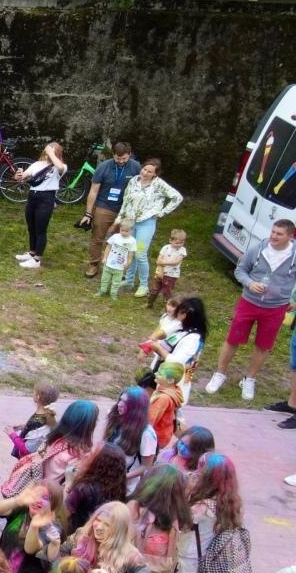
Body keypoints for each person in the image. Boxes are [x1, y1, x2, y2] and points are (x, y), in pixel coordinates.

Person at [202, 217, 296, 401]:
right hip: (249, 302)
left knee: (263, 345)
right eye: (273, 232)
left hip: (276, 307)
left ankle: (249, 378)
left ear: (290, 236)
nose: (274, 236)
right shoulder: (258, 249)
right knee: (232, 339)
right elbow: (240, 270)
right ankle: (220, 374)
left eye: (279, 234)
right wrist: (250, 283)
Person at [116, 158, 184, 296]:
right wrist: (119, 218)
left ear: (155, 174)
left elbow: (177, 197)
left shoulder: (159, 184)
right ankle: (129, 280)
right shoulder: (134, 180)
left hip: (146, 224)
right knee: (130, 250)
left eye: (150, 171)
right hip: (131, 222)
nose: (145, 173)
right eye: (144, 169)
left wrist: (162, 212)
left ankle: (143, 285)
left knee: (140, 253)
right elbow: (126, 200)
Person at [79, 140, 141, 277]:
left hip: (125, 209)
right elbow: (94, 191)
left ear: (130, 155)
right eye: (117, 158)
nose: (120, 161)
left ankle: (118, 266)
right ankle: (94, 264)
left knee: (122, 239)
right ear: (113, 155)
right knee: (98, 237)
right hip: (104, 206)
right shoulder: (103, 167)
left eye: (124, 158)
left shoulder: (136, 167)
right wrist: (88, 213)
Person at [13, 142, 68, 270]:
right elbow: (23, 177)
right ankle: (32, 252)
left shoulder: (60, 166)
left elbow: (60, 167)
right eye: (48, 151)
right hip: (32, 196)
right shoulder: (37, 164)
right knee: (31, 226)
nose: (49, 154)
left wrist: (51, 153)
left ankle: (37, 259)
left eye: (54, 152)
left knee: (40, 229)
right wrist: (19, 175)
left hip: (46, 198)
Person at [97, 218, 138, 299]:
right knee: (104, 279)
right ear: (120, 228)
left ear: (132, 231)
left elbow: (131, 254)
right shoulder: (115, 237)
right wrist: (105, 258)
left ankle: (113, 294)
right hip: (109, 264)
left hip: (120, 266)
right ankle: (102, 291)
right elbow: (108, 247)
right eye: (122, 230)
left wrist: (128, 263)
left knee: (116, 282)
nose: (124, 232)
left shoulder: (132, 241)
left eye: (126, 231)